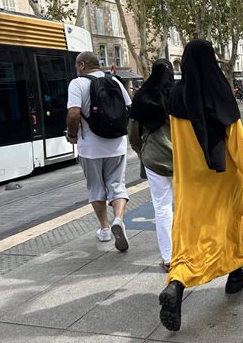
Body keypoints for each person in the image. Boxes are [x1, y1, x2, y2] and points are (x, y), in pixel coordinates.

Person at [158, 39, 243, 331]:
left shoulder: (176, 95)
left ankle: (177, 283)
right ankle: (236, 274)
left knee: (191, 234)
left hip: (190, 179)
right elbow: (236, 140)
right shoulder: (220, 92)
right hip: (223, 178)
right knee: (229, 222)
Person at [66, 51, 132, 251]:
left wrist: (72, 135)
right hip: (117, 144)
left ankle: (104, 229)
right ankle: (118, 219)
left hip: (90, 148)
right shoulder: (115, 81)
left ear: (83, 65)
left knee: (96, 187)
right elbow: (129, 107)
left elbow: (74, 112)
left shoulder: (77, 83)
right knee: (117, 185)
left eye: (77, 66)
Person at [128, 59, 174, 271]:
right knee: (184, 205)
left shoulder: (142, 97)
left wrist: (144, 152)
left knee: (162, 207)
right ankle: (188, 250)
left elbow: (133, 135)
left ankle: (168, 257)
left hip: (154, 159)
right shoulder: (178, 95)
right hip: (182, 159)